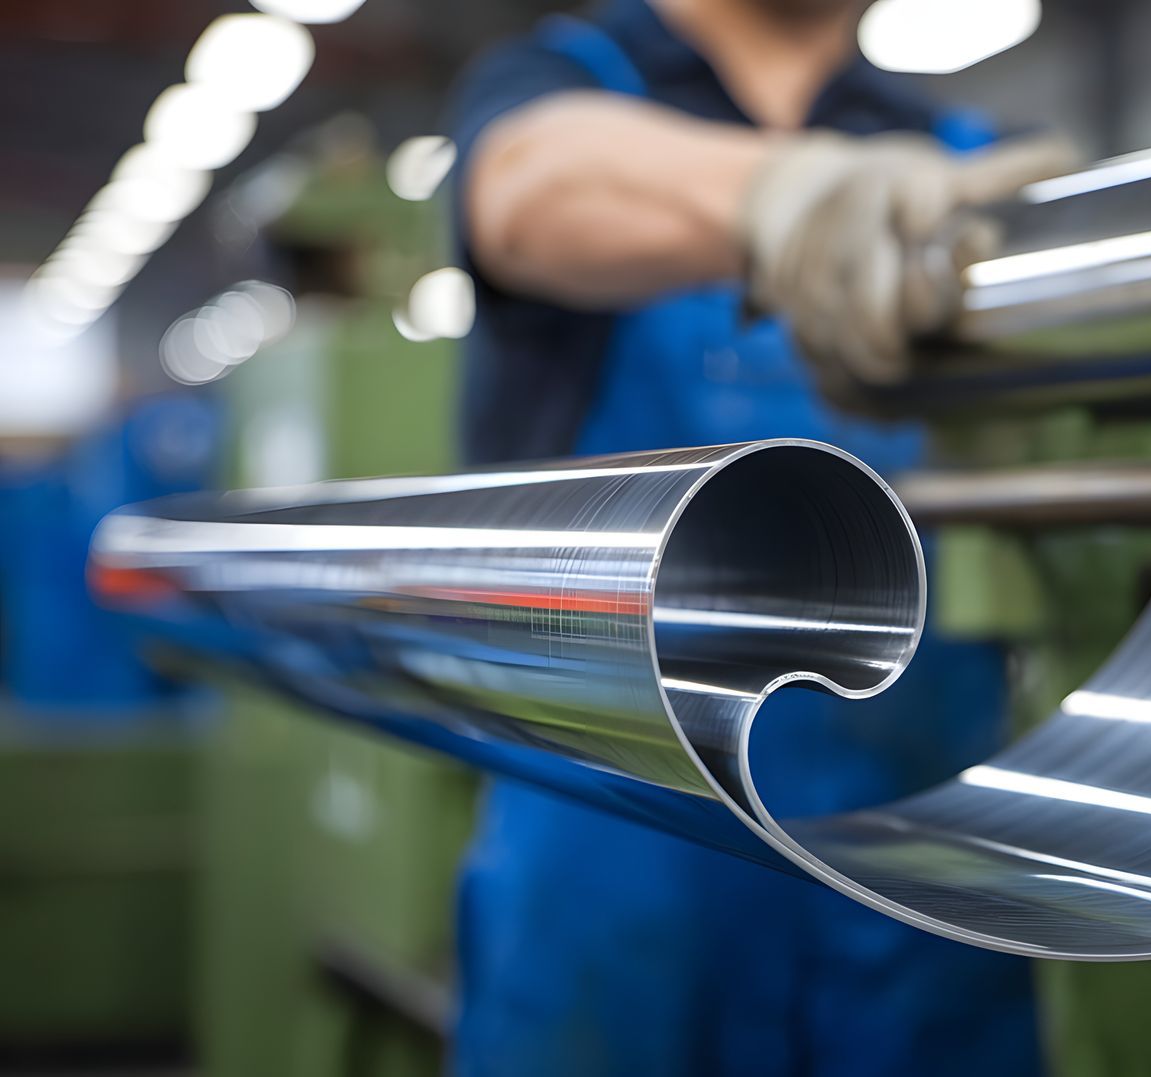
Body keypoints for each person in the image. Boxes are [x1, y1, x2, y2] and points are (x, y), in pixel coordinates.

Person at [443, 1, 1074, 1074]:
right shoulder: (567, 85)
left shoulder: (960, 153)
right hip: (622, 881)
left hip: (920, 885)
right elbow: (525, 186)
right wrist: (790, 199)